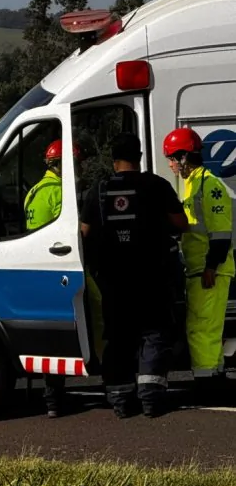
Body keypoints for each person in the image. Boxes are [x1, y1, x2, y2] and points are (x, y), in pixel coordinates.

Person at [80, 133, 188, 418]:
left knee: (118, 337)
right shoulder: (157, 185)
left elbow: (84, 233)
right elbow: (180, 223)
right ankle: (151, 400)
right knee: (154, 334)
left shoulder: (99, 190)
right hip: (153, 278)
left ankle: (120, 401)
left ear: (114, 161)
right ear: (139, 158)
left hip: (114, 281)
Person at [23, 139, 103, 417]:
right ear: (62, 165)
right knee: (97, 311)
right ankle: (108, 377)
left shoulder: (34, 192)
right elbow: (78, 233)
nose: (79, 168)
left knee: (50, 339)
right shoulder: (61, 193)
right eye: (76, 163)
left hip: (37, 270)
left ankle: (52, 400)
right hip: (64, 268)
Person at [163, 127, 234, 399]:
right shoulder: (193, 184)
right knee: (209, 327)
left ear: (183, 157)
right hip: (200, 268)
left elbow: (221, 233)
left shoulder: (209, 185)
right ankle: (215, 375)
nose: (170, 164)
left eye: (171, 158)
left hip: (208, 271)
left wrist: (211, 267)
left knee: (200, 328)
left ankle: (206, 383)